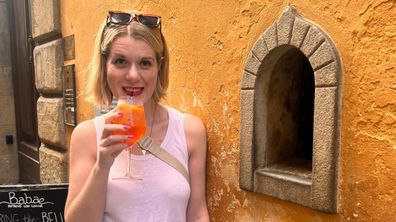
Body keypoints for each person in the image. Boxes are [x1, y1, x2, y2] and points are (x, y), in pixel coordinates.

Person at [64, 11, 209, 222]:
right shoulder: (86, 136)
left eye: (145, 63)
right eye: (121, 61)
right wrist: (102, 165)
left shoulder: (189, 131)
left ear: (159, 67)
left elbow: (197, 214)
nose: (133, 75)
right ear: (105, 66)